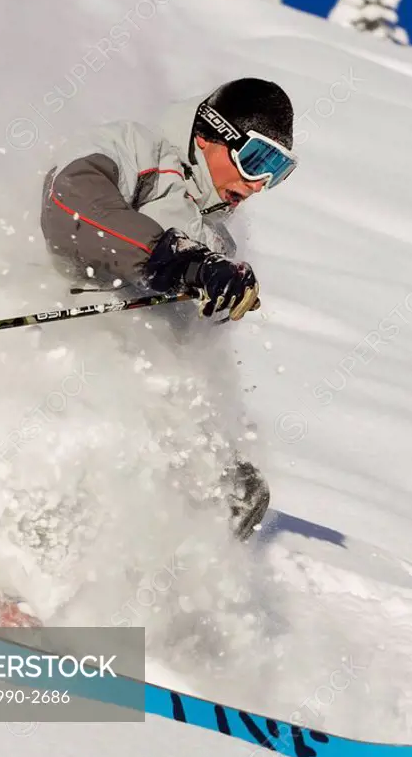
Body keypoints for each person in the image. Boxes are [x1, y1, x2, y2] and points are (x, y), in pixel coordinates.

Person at [40, 77, 297, 538]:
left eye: (276, 172)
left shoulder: (217, 240)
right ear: (209, 134)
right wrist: (175, 257)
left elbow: (188, 365)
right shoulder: (138, 150)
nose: (259, 184)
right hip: (62, 351)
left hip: (139, 398)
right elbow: (70, 201)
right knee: (98, 430)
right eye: (257, 160)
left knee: (236, 491)